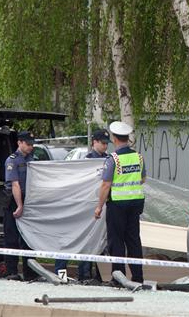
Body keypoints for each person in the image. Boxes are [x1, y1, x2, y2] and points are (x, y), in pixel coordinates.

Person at [54, 129, 110, 281]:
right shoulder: (85, 161)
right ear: (94, 142)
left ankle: (85, 275)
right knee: (69, 240)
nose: (106, 147)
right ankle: (61, 274)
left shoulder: (109, 159)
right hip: (81, 206)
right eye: (103, 143)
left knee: (91, 241)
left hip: (98, 206)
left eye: (107, 144)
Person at [94, 121, 145, 283]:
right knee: (133, 241)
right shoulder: (138, 157)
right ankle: (138, 277)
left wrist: (99, 207)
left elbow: (105, 185)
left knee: (116, 242)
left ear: (115, 139)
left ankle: (118, 277)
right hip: (136, 203)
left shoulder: (113, 159)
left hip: (117, 205)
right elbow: (143, 179)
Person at [3, 131, 39, 281]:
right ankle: (11, 271)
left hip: (29, 200)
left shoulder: (32, 159)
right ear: (19, 142)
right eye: (28, 144)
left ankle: (30, 272)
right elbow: (15, 185)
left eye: (32, 144)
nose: (31, 147)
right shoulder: (12, 161)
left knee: (29, 238)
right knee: (12, 237)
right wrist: (19, 205)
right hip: (13, 201)